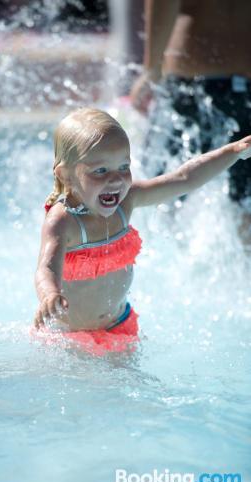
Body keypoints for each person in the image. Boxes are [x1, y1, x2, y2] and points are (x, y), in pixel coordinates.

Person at [31, 108, 251, 356]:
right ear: (65, 175)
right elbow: (46, 268)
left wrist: (233, 152)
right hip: (69, 336)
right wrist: (50, 294)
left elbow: (184, 178)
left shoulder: (126, 201)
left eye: (123, 167)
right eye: (100, 171)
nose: (115, 180)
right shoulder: (63, 221)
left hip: (120, 326)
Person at [129, 0, 251, 240]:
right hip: (245, 86)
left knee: (154, 201)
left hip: (191, 79)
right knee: (244, 207)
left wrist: (151, 69)